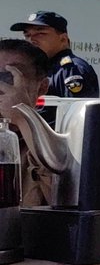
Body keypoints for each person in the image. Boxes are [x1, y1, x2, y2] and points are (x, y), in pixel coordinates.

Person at [10, 11, 99, 127]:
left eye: (40, 33)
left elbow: (79, 120)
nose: (31, 40)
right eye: (27, 35)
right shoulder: (38, 69)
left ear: (63, 39)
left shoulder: (71, 70)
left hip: (59, 143)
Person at [0, 38, 57, 206]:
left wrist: (24, 117)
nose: (2, 84)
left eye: (11, 75)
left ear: (42, 87)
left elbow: (69, 198)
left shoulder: (58, 143)